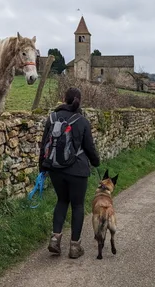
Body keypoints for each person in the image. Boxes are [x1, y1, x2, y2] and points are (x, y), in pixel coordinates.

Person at [39, 87, 100, 259]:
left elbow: (44, 145)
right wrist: (96, 162)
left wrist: (42, 168)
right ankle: (74, 247)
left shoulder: (52, 118)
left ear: (63, 99)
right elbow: (89, 148)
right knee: (78, 205)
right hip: (78, 170)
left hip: (56, 169)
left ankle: (55, 239)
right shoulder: (82, 121)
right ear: (79, 100)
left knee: (62, 201)